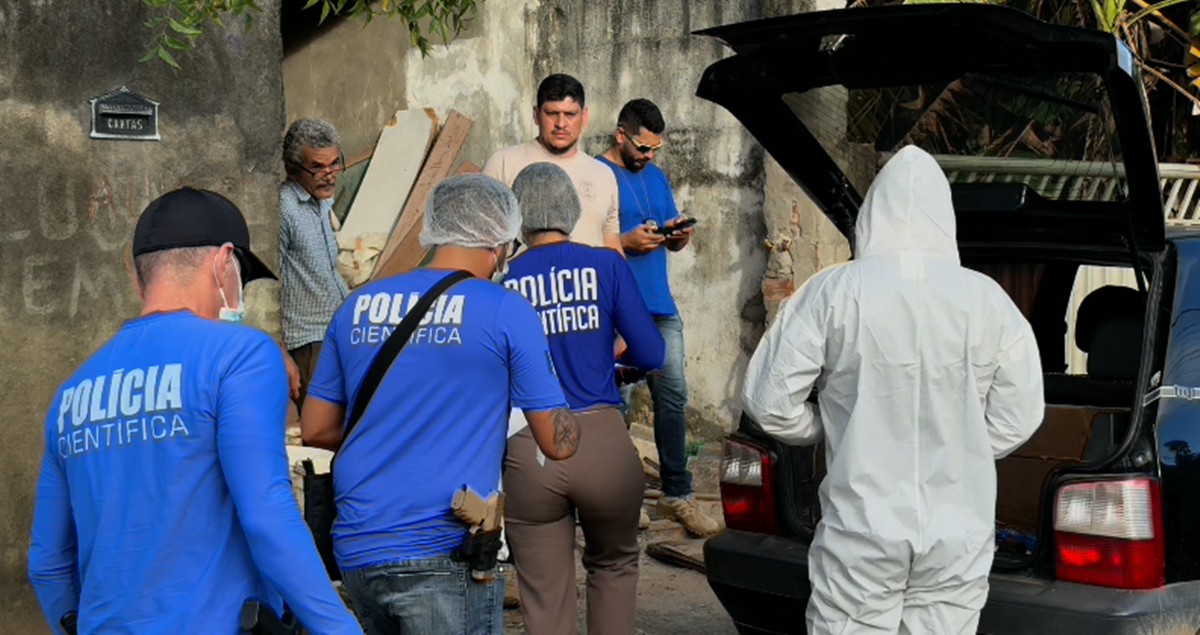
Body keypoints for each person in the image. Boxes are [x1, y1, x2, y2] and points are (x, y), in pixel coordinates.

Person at [27, 187, 361, 634]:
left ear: (137, 279)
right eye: (241, 275)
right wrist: (339, 628)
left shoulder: (72, 393)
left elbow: (48, 562)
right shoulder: (241, 356)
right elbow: (266, 513)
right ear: (224, 262)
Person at [741, 146, 1045, 634]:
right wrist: (964, 444)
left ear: (872, 214)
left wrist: (822, 425)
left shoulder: (833, 291)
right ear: (943, 215)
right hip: (958, 529)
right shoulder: (988, 300)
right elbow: (1022, 414)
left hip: (863, 527)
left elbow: (769, 403)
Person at [300, 174, 582, 635]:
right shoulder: (505, 309)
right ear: (501, 240)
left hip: (356, 549)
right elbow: (558, 442)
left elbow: (315, 427)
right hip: (443, 552)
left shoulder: (358, 304)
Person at [501, 163, 664, 634]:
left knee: (544, 594)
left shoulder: (503, 277)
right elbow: (653, 352)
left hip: (529, 444)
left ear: (518, 217)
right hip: (602, 439)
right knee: (613, 567)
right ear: (572, 210)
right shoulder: (607, 264)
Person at [597, 98, 719, 537]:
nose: (649, 156)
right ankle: (620, 502)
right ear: (621, 134)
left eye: (655, 150)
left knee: (673, 398)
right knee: (617, 407)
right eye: (643, 148)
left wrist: (678, 235)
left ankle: (676, 496)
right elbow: (579, 243)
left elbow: (672, 242)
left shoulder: (656, 176)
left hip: (660, 307)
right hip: (613, 311)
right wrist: (625, 242)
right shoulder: (595, 176)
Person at [482, 73, 623, 253]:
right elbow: (484, 240)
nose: (561, 123)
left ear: (584, 116)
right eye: (552, 113)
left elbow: (611, 243)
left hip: (588, 281)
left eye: (570, 114)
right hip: (521, 280)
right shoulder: (503, 163)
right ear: (536, 115)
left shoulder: (603, 174)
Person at [280, 118, 351, 410]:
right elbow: (266, 285)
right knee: (320, 431)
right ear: (293, 170)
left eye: (335, 164)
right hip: (308, 344)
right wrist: (279, 351)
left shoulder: (321, 203)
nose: (330, 175)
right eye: (318, 167)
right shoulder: (284, 208)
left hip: (334, 333)